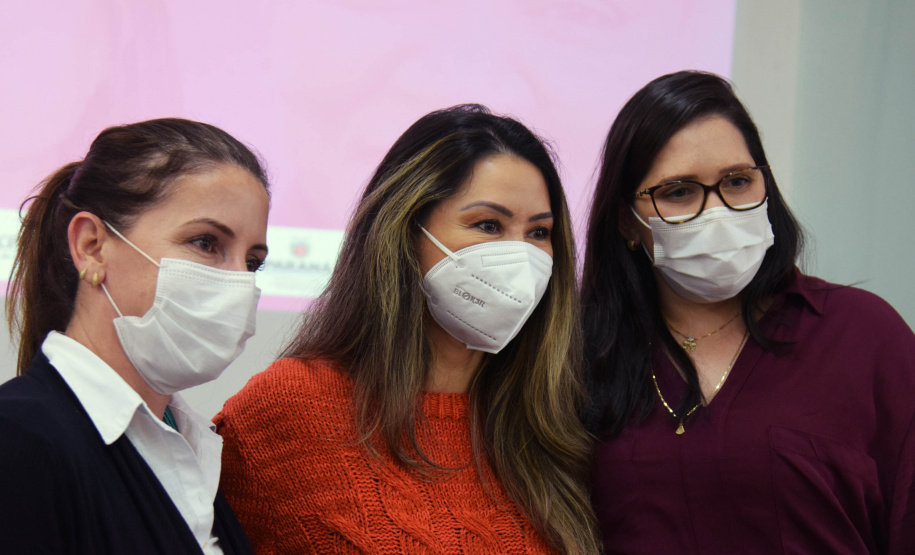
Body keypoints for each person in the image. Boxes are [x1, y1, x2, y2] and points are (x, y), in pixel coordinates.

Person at [216, 104, 600, 554]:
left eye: (538, 233)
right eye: (488, 225)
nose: (521, 257)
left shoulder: (552, 422)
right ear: (405, 232)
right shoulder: (286, 413)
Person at [581, 70, 915, 554]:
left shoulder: (862, 335)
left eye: (737, 181)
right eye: (679, 192)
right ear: (626, 223)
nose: (718, 211)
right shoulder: (583, 359)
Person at [0, 118, 269, 554]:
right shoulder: (18, 440)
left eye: (253, 262)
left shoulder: (192, 449)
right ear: (91, 245)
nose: (240, 283)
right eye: (206, 242)